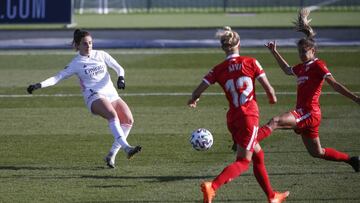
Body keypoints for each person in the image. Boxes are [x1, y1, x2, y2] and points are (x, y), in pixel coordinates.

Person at [187, 26, 289, 203]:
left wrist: (193, 100)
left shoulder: (217, 69)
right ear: (239, 44)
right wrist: (272, 98)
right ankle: (213, 186)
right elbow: (270, 90)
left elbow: (198, 90)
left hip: (233, 118)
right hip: (248, 117)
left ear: (222, 48)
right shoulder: (251, 62)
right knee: (243, 161)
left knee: (259, 155)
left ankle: (272, 196)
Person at [257, 8, 360, 172]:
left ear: (313, 51)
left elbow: (334, 84)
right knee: (317, 152)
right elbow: (287, 70)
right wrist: (274, 52)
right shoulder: (302, 67)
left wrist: (355, 98)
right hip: (307, 114)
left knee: (275, 122)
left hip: (309, 113)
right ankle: (353, 161)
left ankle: (247, 143)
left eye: (304, 51)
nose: (301, 54)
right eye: (299, 52)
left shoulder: (318, 66)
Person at [27, 29, 141, 168]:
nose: (89, 46)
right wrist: (39, 85)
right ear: (77, 45)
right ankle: (127, 148)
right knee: (112, 115)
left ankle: (111, 155)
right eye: (85, 44)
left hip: (111, 94)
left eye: (90, 43)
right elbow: (57, 78)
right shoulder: (76, 63)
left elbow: (119, 68)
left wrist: (121, 78)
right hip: (94, 96)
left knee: (128, 120)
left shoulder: (101, 54)